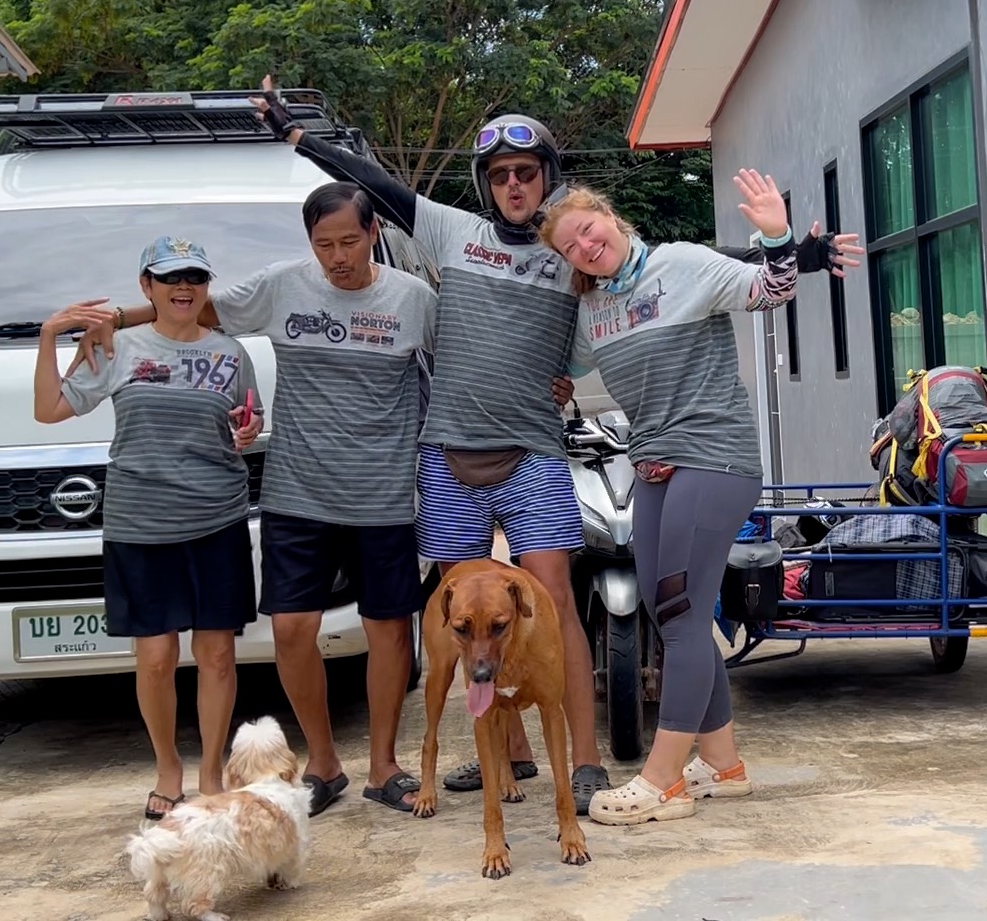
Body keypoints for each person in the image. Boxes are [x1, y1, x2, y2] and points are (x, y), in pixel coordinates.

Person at [249, 79, 864, 813]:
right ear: (486, 184)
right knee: (471, 616)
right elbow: (376, 186)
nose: (513, 184)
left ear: (547, 178)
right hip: (449, 455)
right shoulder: (450, 232)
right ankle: (508, 755)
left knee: (555, 607)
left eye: (526, 172)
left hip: (535, 454)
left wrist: (802, 252)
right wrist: (300, 139)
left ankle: (585, 760)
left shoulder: (570, 259)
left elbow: (674, 266)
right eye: (500, 175)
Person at [87, 185, 438, 815]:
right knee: (292, 630)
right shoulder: (281, 286)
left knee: (387, 631)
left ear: (375, 232)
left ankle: (384, 765)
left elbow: (460, 362)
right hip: (296, 491)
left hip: (383, 493)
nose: (338, 257)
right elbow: (192, 309)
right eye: (324, 244)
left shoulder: (413, 299)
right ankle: (323, 763)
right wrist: (114, 322)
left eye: (349, 242)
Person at [538, 173, 794, 825]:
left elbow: (772, 290)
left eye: (587, 230)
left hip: (713, 456)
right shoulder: (594, 309)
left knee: (679, 612)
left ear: (608, 215)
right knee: (667, 611)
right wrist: (555, 387)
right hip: (652, 463)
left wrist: (778, 237)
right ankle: (723, 766)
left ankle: (663, 781)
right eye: (570, 247)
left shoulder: (682, 264)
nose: (585, 247)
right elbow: (564, 368)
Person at [32, 236, 265, 821]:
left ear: (206, 286)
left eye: (195, 277)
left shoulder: (231, 354)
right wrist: (49, 337)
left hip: (216, 520)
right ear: (147, 286)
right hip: (141, 526)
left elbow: (247, 422)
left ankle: (211, 774)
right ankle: (168, 769)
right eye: (170, 278)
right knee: (156, 656)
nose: (184, 287)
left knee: (217, 655)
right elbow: (49, 409)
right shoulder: (117, 347)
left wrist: (247, 430)